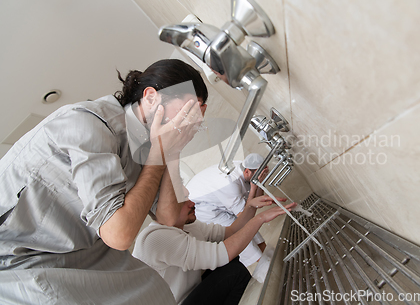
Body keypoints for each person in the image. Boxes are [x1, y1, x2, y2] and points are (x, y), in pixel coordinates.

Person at [0, 59, 208, 304]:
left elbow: (169, 218)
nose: (194, 123)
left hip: (80, 249)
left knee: (153, 293)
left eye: (199, 117)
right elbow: (118, 234)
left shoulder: (148, 146)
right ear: (151, 98)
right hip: (18, 256)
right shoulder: (88, 123)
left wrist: (172, 151)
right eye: (189, 111)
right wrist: (160, 154)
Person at [132, 186, 296, 304]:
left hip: (194, 292)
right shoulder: (154, 239)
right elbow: (222, 253)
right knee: (233, 272)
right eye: (184, 202)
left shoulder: (186, 224)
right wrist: (260, 219)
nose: (192, 203)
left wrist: (251, 206)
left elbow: (229, 233)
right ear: (165, 210)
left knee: (231, 263)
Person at [186, 153, 270, 266]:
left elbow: (258, 201)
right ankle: (266, 269)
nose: (260, 178)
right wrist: (254, 186)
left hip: (218, 202)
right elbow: (245, 216)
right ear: (247, 171)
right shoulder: (230, 182)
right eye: (258, 176)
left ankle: (271, 260)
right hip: (205, 210)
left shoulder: (247, 169)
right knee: (240, 234)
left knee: (253, 231)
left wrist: (259, 182)